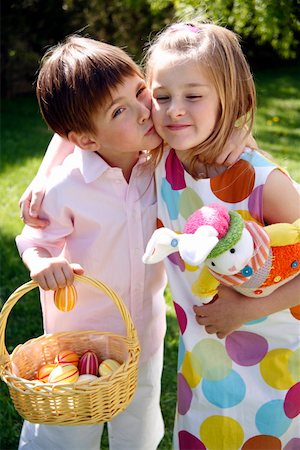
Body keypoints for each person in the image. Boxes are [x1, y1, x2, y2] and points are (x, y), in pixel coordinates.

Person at [142, 20, 300, 449]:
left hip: (279, 360)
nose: (174, 109)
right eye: (161, 97)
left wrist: (249, 310)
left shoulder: (265, 182)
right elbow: (83, 115)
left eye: (193, 96)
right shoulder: (161, 162)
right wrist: (48, 175)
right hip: (204, 360)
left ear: (229, 100)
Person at [15, 35, 168, 450]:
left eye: (140, 92)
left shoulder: (162, 165)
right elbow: (35, 239)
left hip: (144, 335)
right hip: (79, 342)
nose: (142, 112)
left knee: (138, 428)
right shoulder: (68, 187)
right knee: (65, 434)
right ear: (85, 140)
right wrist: (39, 262)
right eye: (120, 110)